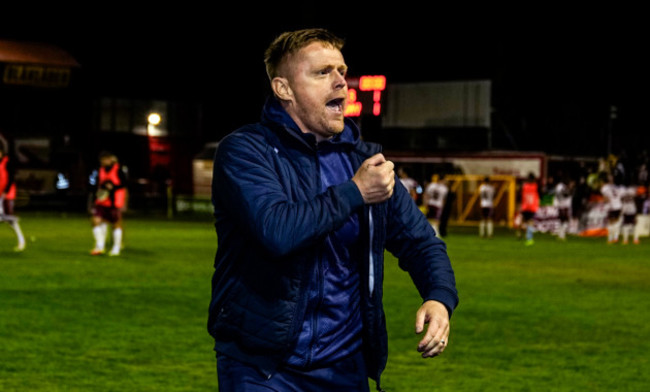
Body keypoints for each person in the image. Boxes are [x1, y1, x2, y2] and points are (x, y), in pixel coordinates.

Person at [207, 28, 458, 391]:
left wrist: (439, 297)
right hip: (262, 368)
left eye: (341, 70)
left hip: (345, 368)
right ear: (284, 89)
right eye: (323, 72)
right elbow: (277, 231)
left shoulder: (364, 161)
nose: (340, 81)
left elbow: (421, 242)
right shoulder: (246, 151)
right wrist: (354, 192)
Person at [89, 151, 128, 256]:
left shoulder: (119, 170)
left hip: (115, 202)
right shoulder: (100, 170)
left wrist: (114, 188)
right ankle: (100, 245)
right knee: (96, 221)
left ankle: (116, 247)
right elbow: (97, 185)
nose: (104, 161)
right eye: (102, 160)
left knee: (116, 225)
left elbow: (124, 185)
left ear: (111, 159)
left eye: (106, 159)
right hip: (102, 201)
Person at [0, 146, 26, 252]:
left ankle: (21, 240)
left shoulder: (8, 163)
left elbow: (11, 178)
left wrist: (6, 192)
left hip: (7, 194)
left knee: (9, 219)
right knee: (7, 219)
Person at [600, 173, 623, 244]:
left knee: (610, 223)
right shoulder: (618, 187)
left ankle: (610, 238)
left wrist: (604, 202)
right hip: (618, 205)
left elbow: (606, 199)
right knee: (616, 222)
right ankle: (616, 238)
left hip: (611, 206)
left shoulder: (604, 188)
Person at [520, 172, 540, 246]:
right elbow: (540, 194)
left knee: (525, 222)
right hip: (532, 207)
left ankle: (524, 235)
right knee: (530, 222)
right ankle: (529, 238)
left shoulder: (524, 186)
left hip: (525, 206)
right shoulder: (536, 186)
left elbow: (520, 195)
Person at [620, 180, 640, 245]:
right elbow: (636, 198)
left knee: (626, 225)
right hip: (632, 209)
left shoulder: (621, 190)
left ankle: (626, 240)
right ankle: (635, 239)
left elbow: (621, 199)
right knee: (634, 225)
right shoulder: (633, 189)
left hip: (625, 209)